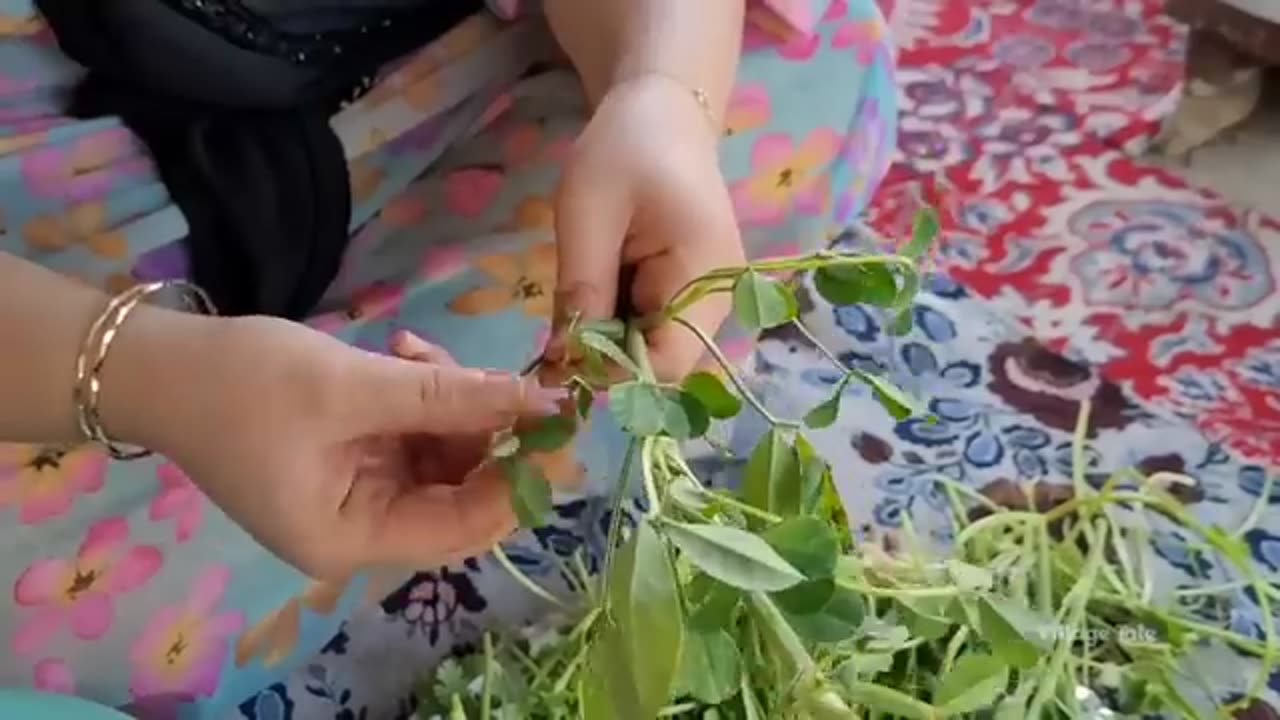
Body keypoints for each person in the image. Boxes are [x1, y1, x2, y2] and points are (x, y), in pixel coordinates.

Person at [0, 0, 898, 716]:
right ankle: (269, 434)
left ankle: (310, 426)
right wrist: (149, 378)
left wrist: (659, 90)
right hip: (46, 194)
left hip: (393, 60)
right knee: (45, 612)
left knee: (810, 75)